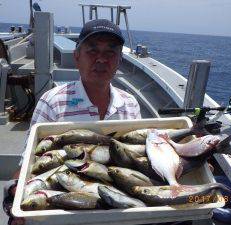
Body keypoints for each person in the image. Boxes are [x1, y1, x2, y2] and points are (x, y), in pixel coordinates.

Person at [4, 19, 141, 225]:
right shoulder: (53, 101)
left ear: (120, 60)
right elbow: (30, 160)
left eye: (110, 52)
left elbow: (133, 158)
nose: (101, 59)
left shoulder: (129, 103)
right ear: (77, 57)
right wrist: (15, 190)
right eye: (92, 51)